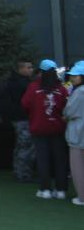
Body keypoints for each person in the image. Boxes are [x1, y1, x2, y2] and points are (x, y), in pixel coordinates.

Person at [22, 59, 69, 199]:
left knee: (43, 159)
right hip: (58, 128)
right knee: (60, 159)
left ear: (41, 72)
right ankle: (61, 190)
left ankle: (45, 189)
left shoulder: (33, 87)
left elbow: (25, 104)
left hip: (39, 127)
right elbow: (66, 107)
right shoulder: (61, 89)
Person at [0, 58, 36, 183]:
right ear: (21, 69)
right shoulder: (22, 84)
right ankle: (23, 174)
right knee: (25, 145)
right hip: (22, 117)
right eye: (28, 67)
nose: (31, 70)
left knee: (21, 145)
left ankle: (19, 171)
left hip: (17, 118)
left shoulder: (11, 82)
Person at [65, 62, 84, 206]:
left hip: (78, 134)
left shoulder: (79, 92)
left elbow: (69, 111)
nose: (72, 78)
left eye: (76, 76)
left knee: (78, 167)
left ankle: (82, 197)